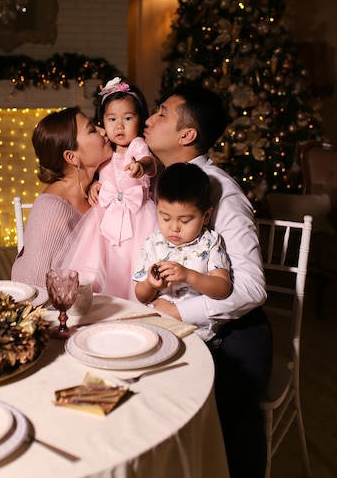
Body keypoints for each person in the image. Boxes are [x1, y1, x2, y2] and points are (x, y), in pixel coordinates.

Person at [143, 83, 272, 478]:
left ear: (187, 135)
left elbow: (252, 289)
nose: (148, 119)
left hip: (238, 334)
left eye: (161, 112)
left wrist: (178, 309)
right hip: (185, 326)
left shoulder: (222, 194)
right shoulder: (169, 180)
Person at [59, 77, 158, 299]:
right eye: (112, 119)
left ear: (139, 119)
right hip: (106, 218)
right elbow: (99, 174)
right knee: (106, 261)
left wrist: (141, 165)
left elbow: (149, 161)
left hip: (137, 217)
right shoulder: (105, 150)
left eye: (128, 118)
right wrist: (95, 184)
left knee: (133, 261)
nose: (119, 125)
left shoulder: (137, 145)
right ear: (102, 121)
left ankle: (134, 300)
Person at [11, 106, 112, 288]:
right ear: (72, 157)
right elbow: (33, 286)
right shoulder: (51, 211)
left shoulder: (100, 188)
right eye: (92, 130)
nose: (104, 131)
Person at [133, 162, 231, 340]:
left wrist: (188, 276)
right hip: (158, 327)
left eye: (185, 221)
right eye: (165, 218)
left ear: (206, 216)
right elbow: (141, 295)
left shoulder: (209, 243)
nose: (174, 228)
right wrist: (150, 284)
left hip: (199, 333)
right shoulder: (153, 243)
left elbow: (223, 288)